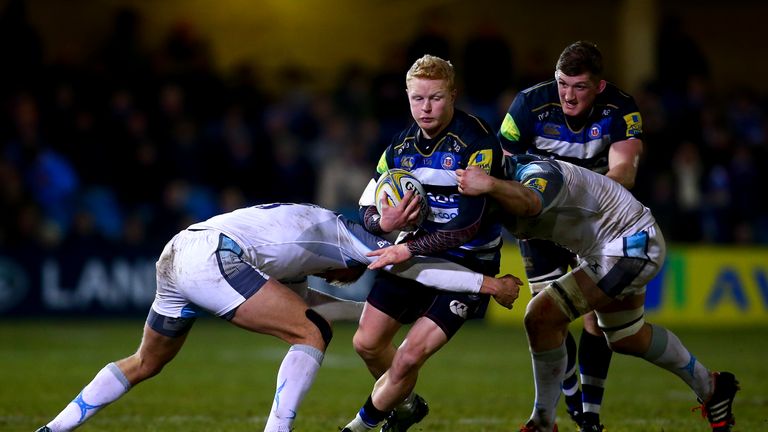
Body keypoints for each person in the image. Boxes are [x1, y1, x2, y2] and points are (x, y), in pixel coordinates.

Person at [35, 202, 521, 432]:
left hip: (180, 251)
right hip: (214, 256)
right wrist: (489, 283)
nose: (344, 278)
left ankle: (52, 429)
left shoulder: (294, 247)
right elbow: (422, 268)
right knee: (312, 333)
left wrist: (372, 315)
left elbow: (314, 301)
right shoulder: (350, 236)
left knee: (146, 361)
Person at [456, 155, 739, 432]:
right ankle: (712, 387)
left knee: (541, 316)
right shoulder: (490, 196)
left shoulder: (539, 174)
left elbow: (531, 203)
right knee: (627, 337)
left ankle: (542, 422)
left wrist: (489, 185)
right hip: (611, 247)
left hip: (630, 243)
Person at [341, 54, 507, 432]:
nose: (426, 108)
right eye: (418, 98)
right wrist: (384, 221)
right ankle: (407, 405)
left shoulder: (476, 143)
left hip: (467, 263)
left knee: (407, 358)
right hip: (415, 257)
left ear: (453, 95)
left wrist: (405, 247)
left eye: (435, 98)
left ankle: (358, 427)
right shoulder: (401, 146)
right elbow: (369, 204)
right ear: (407, 96)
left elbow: (467, 226)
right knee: (366, 343)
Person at [496, 40, 644, 431]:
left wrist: (584, 200)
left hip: (594, 223)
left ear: (598, 86)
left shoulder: (621, 108)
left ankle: (590, 416)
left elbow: (624, 171)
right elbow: (504, 165)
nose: (568, 95)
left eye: (579, 87)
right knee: (549, 315)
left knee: (597, 321)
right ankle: (574, 401)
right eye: (563, 83)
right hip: (541, 223)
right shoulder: (529, 104)